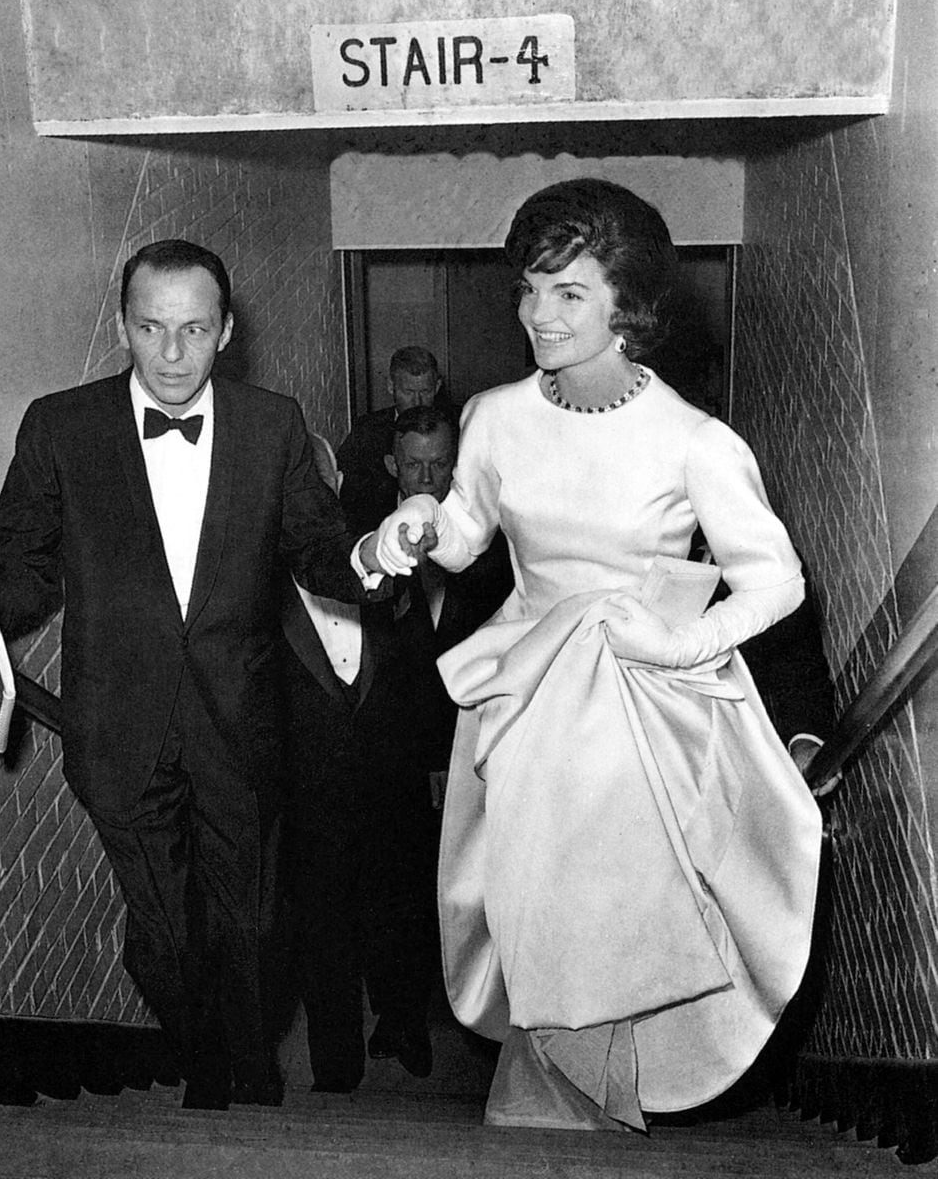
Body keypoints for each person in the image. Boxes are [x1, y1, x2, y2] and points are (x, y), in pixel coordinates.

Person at [366, 179, 822, 1131]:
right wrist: (419, 524)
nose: (537, 314)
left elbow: (774, 580)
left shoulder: (694, 442)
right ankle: (555, 1107)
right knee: (530, 902)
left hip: (637, 700)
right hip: (525, 693)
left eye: (568, 293)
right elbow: (465, 532)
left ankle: (598, 1105)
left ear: (632, 306)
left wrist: (687, 639)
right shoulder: (493, 415)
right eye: (529, 289)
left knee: (614, 917)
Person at [0, 240, 392, 1111]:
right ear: (123, 326)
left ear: (226, 332)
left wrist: (375, 553)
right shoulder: (60, 425)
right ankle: (204, 1053)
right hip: (116, 723)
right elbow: (28, 565)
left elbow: (323, 554)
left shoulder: (271, 423)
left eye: (193, 330)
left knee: (250, 920)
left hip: (238, 723)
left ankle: (244, 1078)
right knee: (162, 927)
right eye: (150, 328)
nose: (172, 356)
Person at [280, 433, 439, 1092]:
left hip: (390, 781)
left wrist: (429, 760)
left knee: (399, 913)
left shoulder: (380, 555)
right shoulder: (258, 588)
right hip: (309, 796)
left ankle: (405, 1028)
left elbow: (418, 665)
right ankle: (334, 1069)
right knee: (322, 933)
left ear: (338, 485)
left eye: (319, 486)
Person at [385, 405, 513, 808]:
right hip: (398, 758)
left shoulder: (498, 544)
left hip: (477, 748)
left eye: (440, 464)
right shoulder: (368, 541)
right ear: (393, 465)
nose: (426, 479)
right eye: (413, 464)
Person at [337, 346, 450, 534]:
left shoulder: (458, 426)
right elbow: (349, 500)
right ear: (391, 386)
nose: (418, 401)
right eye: (408, 392)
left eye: (426, 391)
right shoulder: (367, 432)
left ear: (437, 387)